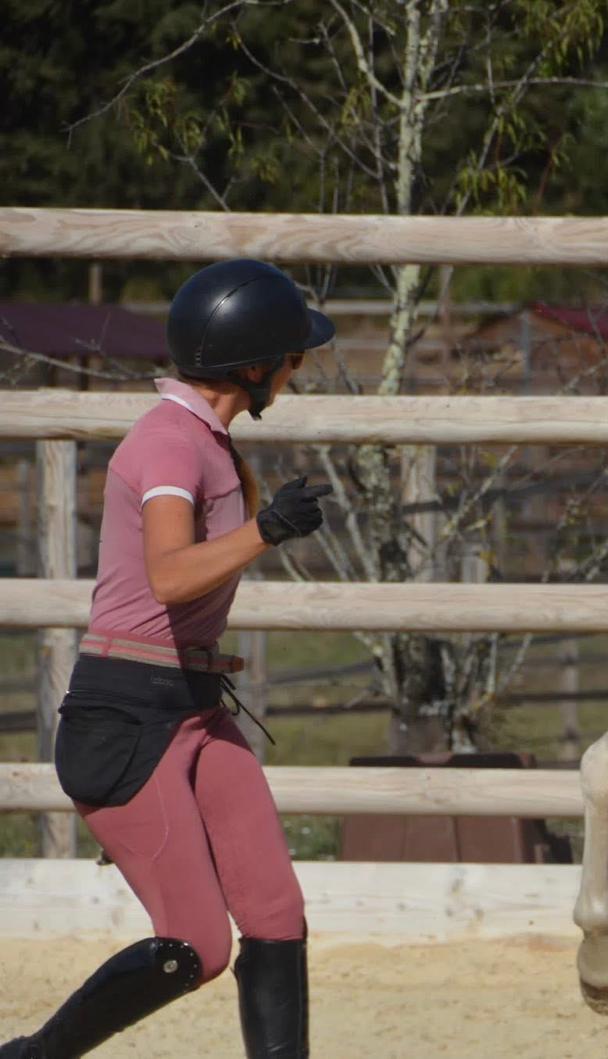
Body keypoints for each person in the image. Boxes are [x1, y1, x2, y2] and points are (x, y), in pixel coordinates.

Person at [2, 259, 336, 1059]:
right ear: (253, 366)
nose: (296, 370)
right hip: (126, 718)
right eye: (292, 357)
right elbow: (169, 574)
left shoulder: (208, 442)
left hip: (192, 705)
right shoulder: (168, 444)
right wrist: (267, 530)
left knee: (276, 913)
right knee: (198, 945)